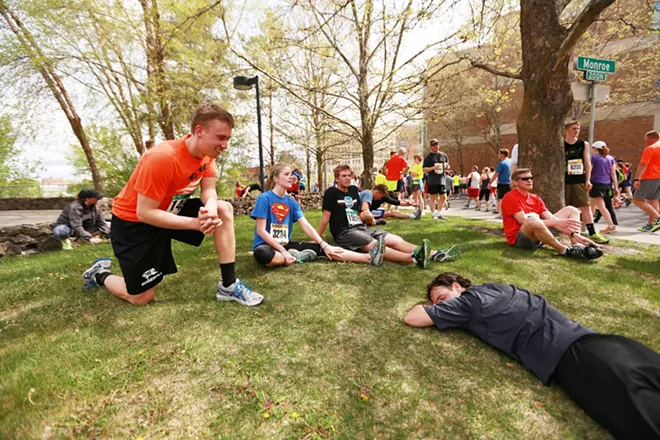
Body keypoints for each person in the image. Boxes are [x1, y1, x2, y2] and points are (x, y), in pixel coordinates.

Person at [404, 272, 660, 440]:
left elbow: (412, 317)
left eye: (441, 298)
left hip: (579, 360)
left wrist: (428, 308)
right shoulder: (497, 287)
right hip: (607, 343)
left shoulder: (467, 304)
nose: (440, 306)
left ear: (457, 287)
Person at [82, 102, 263, 306]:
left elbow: (209, 191)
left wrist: (210, 208)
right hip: (134, 223)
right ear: (199, 131)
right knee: (141, 297)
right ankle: (100, 274)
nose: (225, 145)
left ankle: (228, 285)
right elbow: (145, 213)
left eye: (228, 138)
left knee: (223, 209)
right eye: (221, 137)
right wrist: (195, 223)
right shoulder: (162, 158)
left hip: (169, 208)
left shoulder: (207, 155)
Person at [251, 163, 384, 267]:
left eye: (291, 174)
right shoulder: (264, 198)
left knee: (326, 248)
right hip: (267, 246)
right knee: (262, 254)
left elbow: (306, 225)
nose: (291, 177)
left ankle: (369, 258)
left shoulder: (291, 201)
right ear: (276, 178)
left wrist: (322, 243)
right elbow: (261, 231)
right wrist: (283, 251)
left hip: (285, 244)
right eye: (286, 174)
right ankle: (293, 256)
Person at [318, 165, 450, 269]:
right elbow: (326, 217)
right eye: (343, 176)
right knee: (375, 245)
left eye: (349, 175)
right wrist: (318, 238)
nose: (347, 178)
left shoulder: (353, 190)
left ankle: (435, 253)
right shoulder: (332, 192)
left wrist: (368, 220)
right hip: (344, 232)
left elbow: (355, 212)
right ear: (336, 179)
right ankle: (414, 258)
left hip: (361, 226)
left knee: (394, 239)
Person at [501, 168, 603, 259]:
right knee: (532, 220)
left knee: (571, 210)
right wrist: (556, 223)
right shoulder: (510, 197)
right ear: (515, 182)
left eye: (531, 178)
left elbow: (551, 217)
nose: (529, 180)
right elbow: (523, 221)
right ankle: (564, 250)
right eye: (525, 178)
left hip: (538, 235)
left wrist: (573, 233)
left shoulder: (535, 198)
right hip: (521, 240)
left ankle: (577, 245)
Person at [563, 121, 609, 244]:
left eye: (578, 128)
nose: (576, 131)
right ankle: (566, 231)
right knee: (566, 207)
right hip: (564, 180)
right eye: (573, 128)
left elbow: (587, 163)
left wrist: (588, 179)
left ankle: (592, 233)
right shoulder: (560, 144)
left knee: (585, 206)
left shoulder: (583, 144)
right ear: (566, 130)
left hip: (579, 179)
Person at [633, 130, 660, 232]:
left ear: (649, 138)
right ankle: (650, 225)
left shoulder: (650, 148)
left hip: (650, 177)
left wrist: (637, 178)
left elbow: (643, 164)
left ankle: (658, 218)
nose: (645, 142)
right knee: (654, 201)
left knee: (637, 200)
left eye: (646, 140)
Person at [589, 141, 618, 233]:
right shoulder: (610, 159)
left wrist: (586, 181)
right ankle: (587, 224)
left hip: (596, 183)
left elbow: (589, 171)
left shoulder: (594, 158)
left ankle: (610, 225)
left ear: (595, 148)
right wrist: (616, 187)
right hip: (607, 184)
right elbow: (613, 174)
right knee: (592, 205)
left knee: (601, 206)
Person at [422, 139, 449, 220]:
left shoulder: (443, 155)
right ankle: (433, 214)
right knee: (433, 197)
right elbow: (424, 169)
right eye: (433, 145)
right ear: (431, 146)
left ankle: (439, 213)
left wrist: (447, 166)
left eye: (437, 144)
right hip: (432, 180)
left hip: (442, 179)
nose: (435, 146)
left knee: (443, 197)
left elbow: (447, 165)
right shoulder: (428, 157)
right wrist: (433, 168)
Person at [490, 148, 512, 218]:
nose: (498, 155)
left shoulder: (502, 163)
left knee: (501, 198)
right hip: (510, 183)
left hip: (503, 183)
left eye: (499, 154)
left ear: (502, 154)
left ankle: (501, 214)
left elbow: (496, 173)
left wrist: (490, 181)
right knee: (509, 199)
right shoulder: (511, 162)